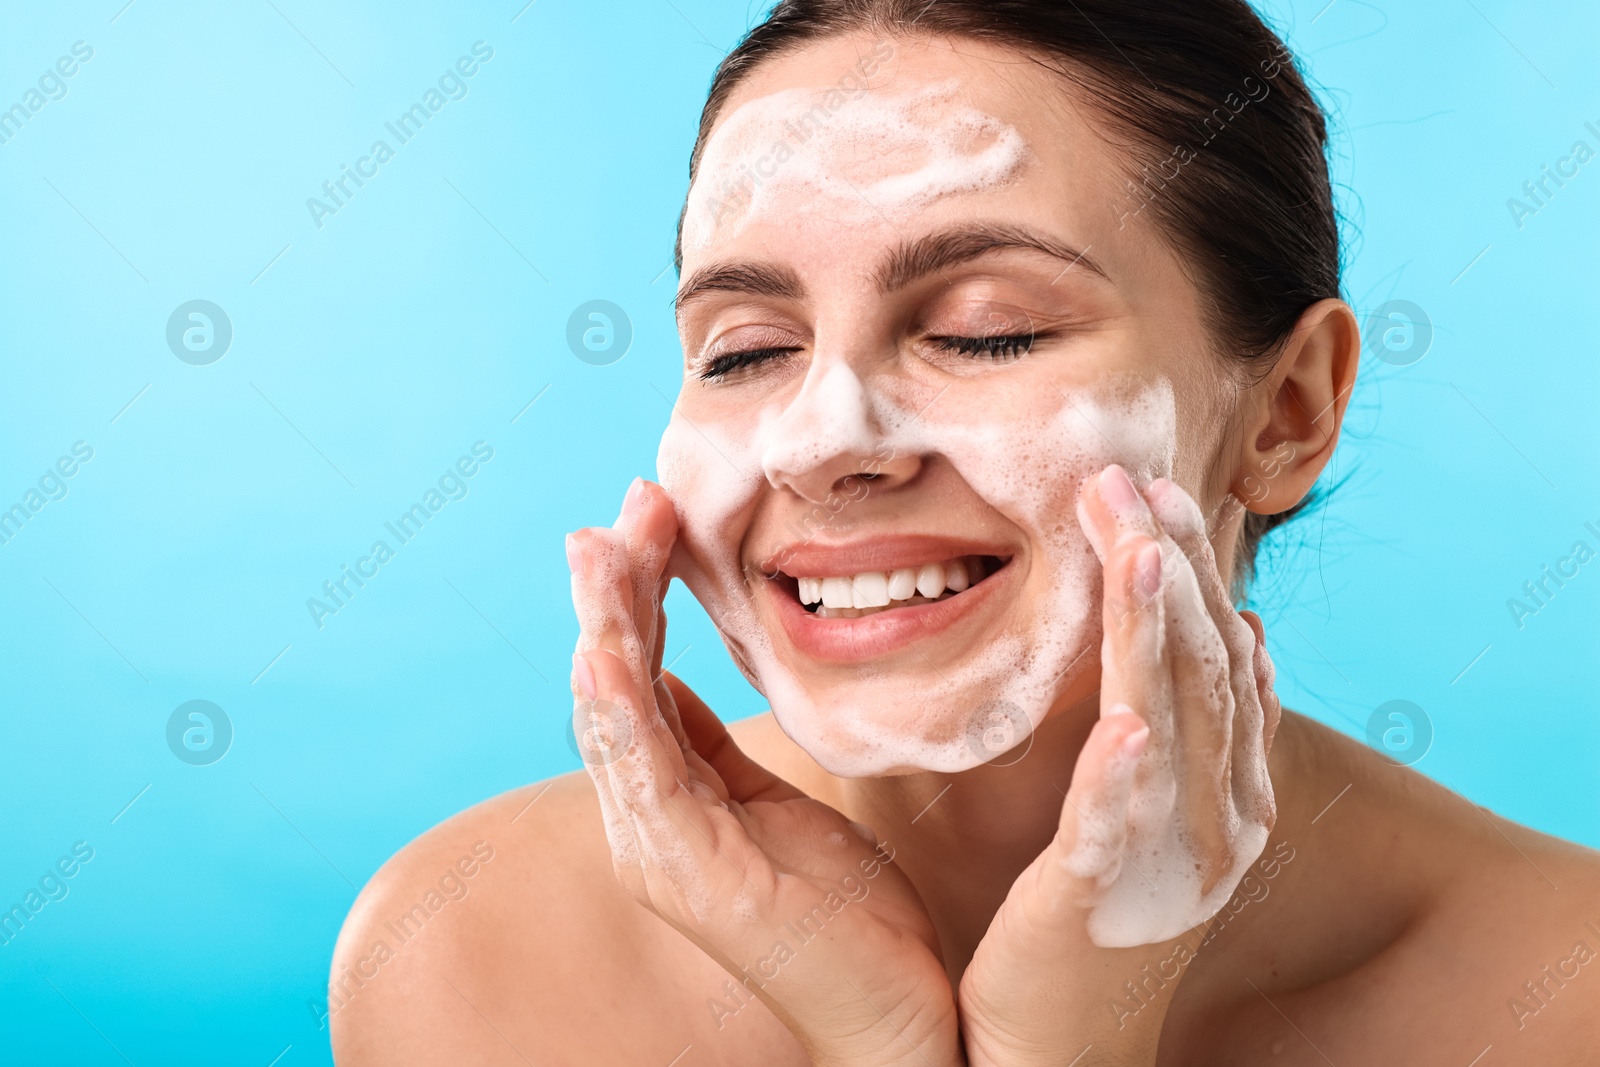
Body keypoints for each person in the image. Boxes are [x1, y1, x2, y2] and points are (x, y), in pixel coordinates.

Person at [330, 2, 1600, 1063]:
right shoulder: (472, 954)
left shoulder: (1562, 992)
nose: (820, 440)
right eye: (746, 350)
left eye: (987, 328)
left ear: (1286, 407)